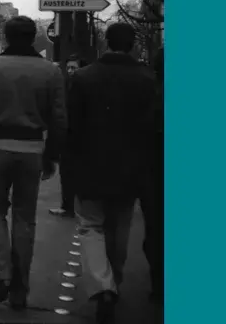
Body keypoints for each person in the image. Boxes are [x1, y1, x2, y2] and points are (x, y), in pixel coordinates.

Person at [0, 16, 68, 310]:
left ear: (6, 37)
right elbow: (60, 119)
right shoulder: (51, 71)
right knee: (25, 218)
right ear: (34, 38)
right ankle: (20, 287)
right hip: (33, 148)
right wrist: (52, 155)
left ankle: (2, 273)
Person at [65, 23, 163, 320]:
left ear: (106, 42)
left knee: (91, 226)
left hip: (90, 164)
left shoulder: (84, 77)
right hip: (131, 166)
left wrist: (68, 165)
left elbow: (73, 127)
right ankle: (114, 280)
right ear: (133, 45)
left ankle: (103, 284)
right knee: (120, 225)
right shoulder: (148, 80)